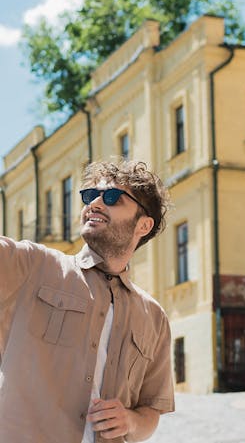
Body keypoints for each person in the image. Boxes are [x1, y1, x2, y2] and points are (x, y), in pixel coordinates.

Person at [0, 159, 175, 443]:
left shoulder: (154, 317)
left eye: (111, 197)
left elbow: (151, 414)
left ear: (143, 224)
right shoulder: (33, 266)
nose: (94, 203)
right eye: (89, 195)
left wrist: (129, 421)